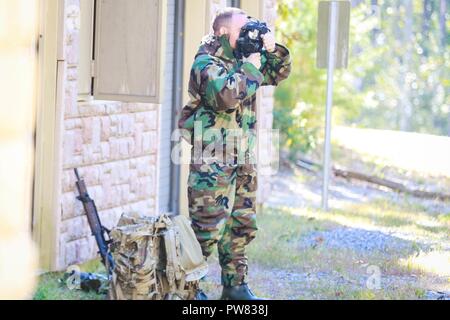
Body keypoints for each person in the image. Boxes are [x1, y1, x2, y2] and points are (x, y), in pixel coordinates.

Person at [178, 7, 291, 300]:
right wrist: (252, 64)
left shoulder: (244, 62)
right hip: (212, 163)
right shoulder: (205, 63)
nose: (247, 37)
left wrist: (270, 46)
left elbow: (279, 71)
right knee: (206, 228)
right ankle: (187, 291)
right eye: (243, 31)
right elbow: (227, 96)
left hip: (243, 160)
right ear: (224, 33)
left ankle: (236, 286)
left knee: (239, 226)